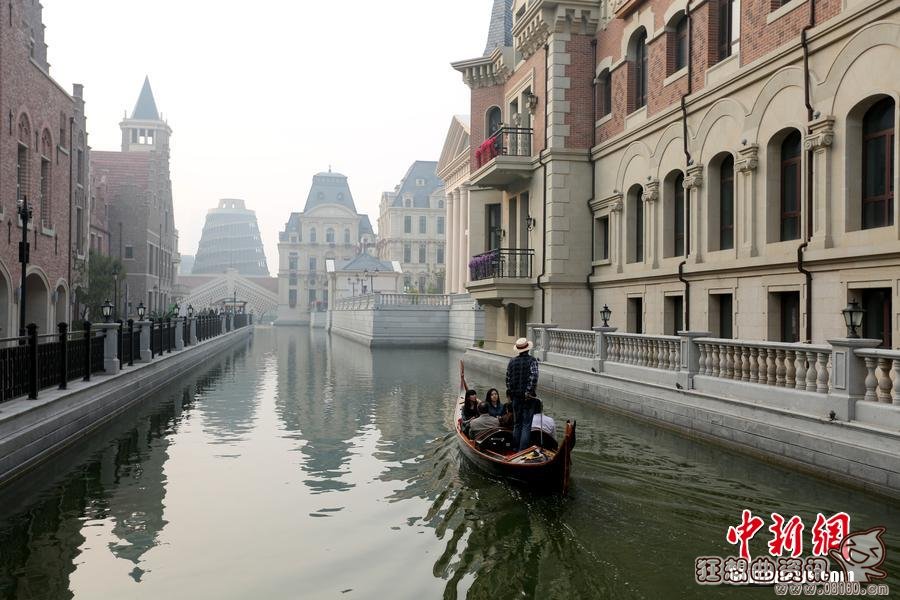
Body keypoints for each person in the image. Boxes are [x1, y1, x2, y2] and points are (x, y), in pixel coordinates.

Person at [506, 337, 539, 451]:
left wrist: (511, 393)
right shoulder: (532, 360)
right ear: (528, 349)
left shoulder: (512, 361)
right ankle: (522, 450)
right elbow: (534, 377)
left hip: (515, 397)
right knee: (526, 425)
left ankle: (515, 448)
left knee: (517, 424)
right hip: (528, 398)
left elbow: (507, 380)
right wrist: (528, 392)